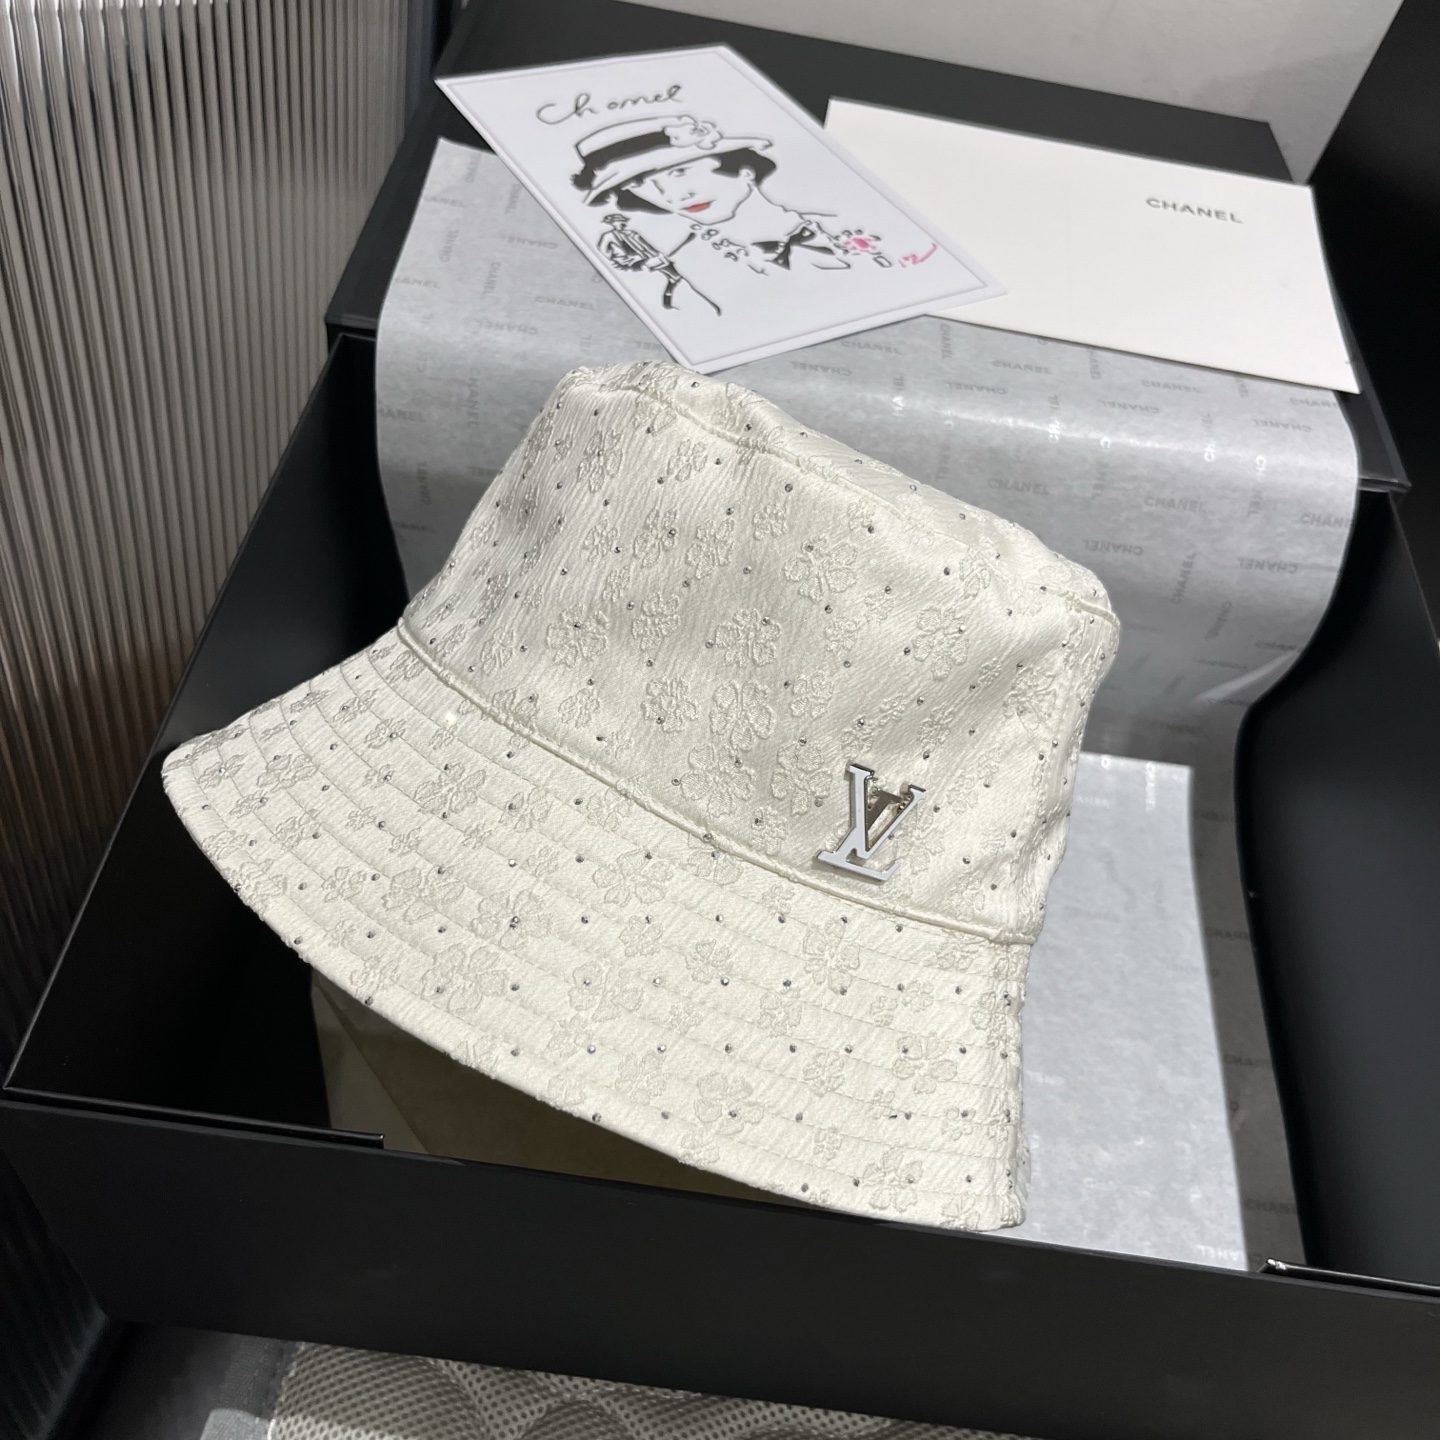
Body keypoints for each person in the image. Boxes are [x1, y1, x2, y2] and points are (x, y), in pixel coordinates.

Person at [570, 115, 889, 313]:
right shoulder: (686, 275)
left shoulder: (844, 225)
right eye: (643, 186)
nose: (674, 196)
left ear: (743, 169)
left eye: (680, 172)